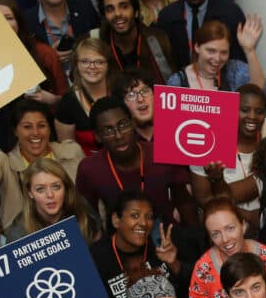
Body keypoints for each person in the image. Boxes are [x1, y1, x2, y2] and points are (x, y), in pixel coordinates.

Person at [0, 99, 85, 231]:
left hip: (77, 230)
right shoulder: (5, 162)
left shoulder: (72, 152)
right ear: (15, 131)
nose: (35, 132)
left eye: (41, 125)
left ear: (50, 129)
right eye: (27, 127)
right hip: (27, 241)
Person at [75, 96, 193, 225]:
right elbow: (87, 218)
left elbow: (185, 204)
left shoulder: (161, 152)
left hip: (167, 237)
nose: (119, 135)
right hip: (119, 241)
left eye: (123, 125)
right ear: (98, 136)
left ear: (133, 124)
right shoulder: (89, 169)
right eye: (108, 130)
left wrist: (195, 243)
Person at [188, 83, 266, 226]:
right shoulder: (207, 141)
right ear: (231, 109)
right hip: (224, 225)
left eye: (259, 111)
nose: (252, 116)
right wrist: (247, 216)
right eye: (244, 110)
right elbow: (204, 199)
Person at [188, 199, 266, 298]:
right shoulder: (203, 270)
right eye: (216, 234)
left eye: (230, 228)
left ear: (243, 226)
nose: (225, 239)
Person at [11, 156, 103, 242]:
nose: (50, 195)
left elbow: (99, 250)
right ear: (30, 193)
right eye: (40, 189)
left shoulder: (82, 210)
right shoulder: (19, 232)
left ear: (65, 187)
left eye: (56, 187)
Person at [165, 16, 265, 91]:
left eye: (224, 52)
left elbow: (258, 91)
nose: (217, 58)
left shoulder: (235, 70)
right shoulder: (177, 82)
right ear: (197, 47)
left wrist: (249, 50)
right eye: (211, 51)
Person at [155, 0, 247, 68]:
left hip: (222, 81)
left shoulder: (231, 13)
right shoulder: (167, 17)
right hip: (182, 83)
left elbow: (239, 61)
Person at [97, 0, 175, 84]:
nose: (117, 13)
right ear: (105, 16)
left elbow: (173, 83)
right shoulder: (97, 42)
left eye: (124, 7)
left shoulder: (158, 40)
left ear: (136, 12)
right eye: (110, 9)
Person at [54, 37, 115, 156]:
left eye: (99, 62)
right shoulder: (67, 103)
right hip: (88, 168)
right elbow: (69, 155)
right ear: (76, 65)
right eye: (85, 61)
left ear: (108, 65)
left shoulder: (121, 91)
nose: (92, 67)